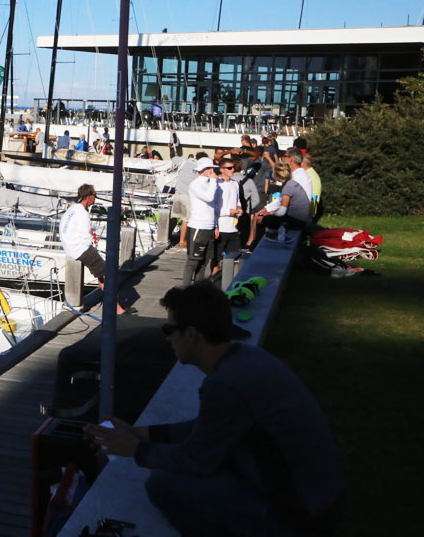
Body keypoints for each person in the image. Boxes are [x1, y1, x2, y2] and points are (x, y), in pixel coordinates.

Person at [86, 283, 346, 537]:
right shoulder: (244, 358)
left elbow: (197, 460)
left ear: (191, 334)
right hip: (320, 499)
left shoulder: (225, 385)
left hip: (299, 517)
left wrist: (134, 449)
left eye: (169, 329)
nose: (166, 337)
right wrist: (141, 433)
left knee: (163, 484)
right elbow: (208, 429)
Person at [59, 184, 126, 315]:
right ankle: (116, 308)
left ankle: (116, 306)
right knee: (109, 274)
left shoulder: (72, 209)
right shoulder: (83, 213)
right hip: (80, 249)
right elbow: (86, 236)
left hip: (71, 247)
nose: (95, 198)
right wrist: (92, 237)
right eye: (94, 195)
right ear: (89, 197)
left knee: (101, 274)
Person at [247, 162, 310, 246]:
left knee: (260, 219)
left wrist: (269, 213)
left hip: (296, 222)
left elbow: (282, 212)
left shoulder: (287, 188)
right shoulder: (292, 183)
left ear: (277, 174)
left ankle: (254, 245)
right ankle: (253, 243)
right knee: (265, 216)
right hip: (300, 219)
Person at [182, 157, 219, 286]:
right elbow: (208, 197)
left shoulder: (210, 184)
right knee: (193, 262)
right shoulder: (196, 184)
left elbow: (213, 205)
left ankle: (197, 291)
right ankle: (184, 291)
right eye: (209, 168)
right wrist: (214, 181)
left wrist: (215, 225)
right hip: (198, 227)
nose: (212, 171)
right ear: (203, 170)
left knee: (204, 262)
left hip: (209, 227)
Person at [211, 158, 241, 274]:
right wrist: (229, 212)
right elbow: (214, 207)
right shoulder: (217, 183)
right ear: (222, 169)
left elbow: (237, 201)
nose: (233, 170)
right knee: (216, 260)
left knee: (233, 259)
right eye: (229, 168)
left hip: (233, 227)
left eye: (233, 167)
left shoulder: (235, 184)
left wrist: (239, 208)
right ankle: (212, 280)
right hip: (221, 226)